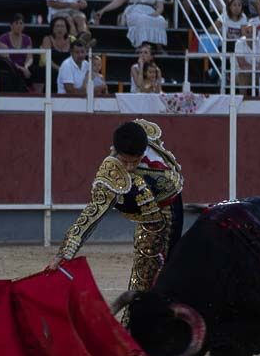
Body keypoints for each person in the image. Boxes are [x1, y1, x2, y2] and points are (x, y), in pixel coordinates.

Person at [46, 120, 185, 297]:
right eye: (125, 161)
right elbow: (92, 214)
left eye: (134, 162)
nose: (129, 167)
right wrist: (64, 254)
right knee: (143, 279)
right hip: (152, 222)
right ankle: (133, 323)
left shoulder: (145, 135)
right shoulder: (112, 172)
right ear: (116, 151)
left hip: (175, 205)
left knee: (172, 271)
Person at [0, 13, 34, 88]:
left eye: (21, 23)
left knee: (36, 71)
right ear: (11, 25)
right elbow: (6, 59)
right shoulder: (3, 38)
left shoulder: (27, 39)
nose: (19, 26)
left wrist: (26, 67)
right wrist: (20, 68)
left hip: (23, 67)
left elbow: (30, 57)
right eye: (16, 23)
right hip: (10, 67)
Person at [40, 16, 73, 84]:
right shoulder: (47, 39)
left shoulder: (72, 39)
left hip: (68, 70)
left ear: (67, 29)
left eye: (62, 26)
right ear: (53, 28)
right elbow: (46, 60)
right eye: (57, 26)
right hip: (52, 68)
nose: (60, 29)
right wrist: (60, 69)